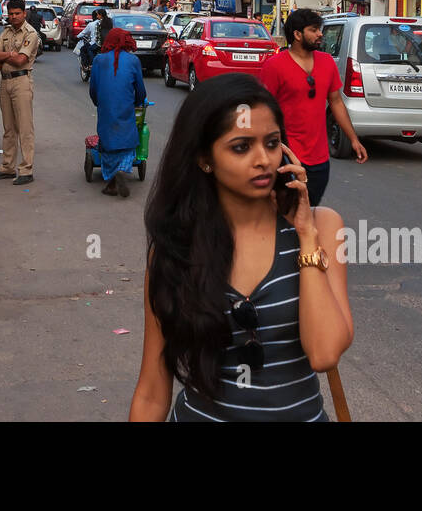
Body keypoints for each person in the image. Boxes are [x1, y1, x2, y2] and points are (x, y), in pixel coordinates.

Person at [128, 73, 353, 422]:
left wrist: (306, 237)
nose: (263, 159)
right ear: (204, 159)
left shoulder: (323, 228)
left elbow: (324, 354)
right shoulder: (177, 247)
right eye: (241, 146)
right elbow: (152, 388)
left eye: (272, 142)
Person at [259, 9, 367, 207]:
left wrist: (353, 139)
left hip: (319, 159)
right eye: (314, 30)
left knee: (311, 209)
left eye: (320, 29)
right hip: (286, 155)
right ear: (298, 35)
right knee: (287, 212)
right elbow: (263, 111)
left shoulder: (327, 62)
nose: (320, 34)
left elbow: (336, 102)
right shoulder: (274, 66)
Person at [0, 0, 40, 185]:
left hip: (22, 82)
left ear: (24, 14)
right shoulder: (7, 32)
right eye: (10, 14)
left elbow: (21, 61)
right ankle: (7, 167)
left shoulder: (31, 33)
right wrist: (10, 54)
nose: (14, 17)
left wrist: (6, 56)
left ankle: (26, 170)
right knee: (8, 129)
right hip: (6, 82)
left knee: (25, 128)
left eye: (17, 13)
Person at [88, 27, 146, 198]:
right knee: (128, 139)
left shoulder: (98, 60)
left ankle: (112, 179)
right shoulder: (133, 60)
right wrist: (136, 103)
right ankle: (122, 170)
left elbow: (93, 89)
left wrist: (99, 103)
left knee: (106, 140)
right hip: (126, 107)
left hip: (105, 107)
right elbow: (141, 91)